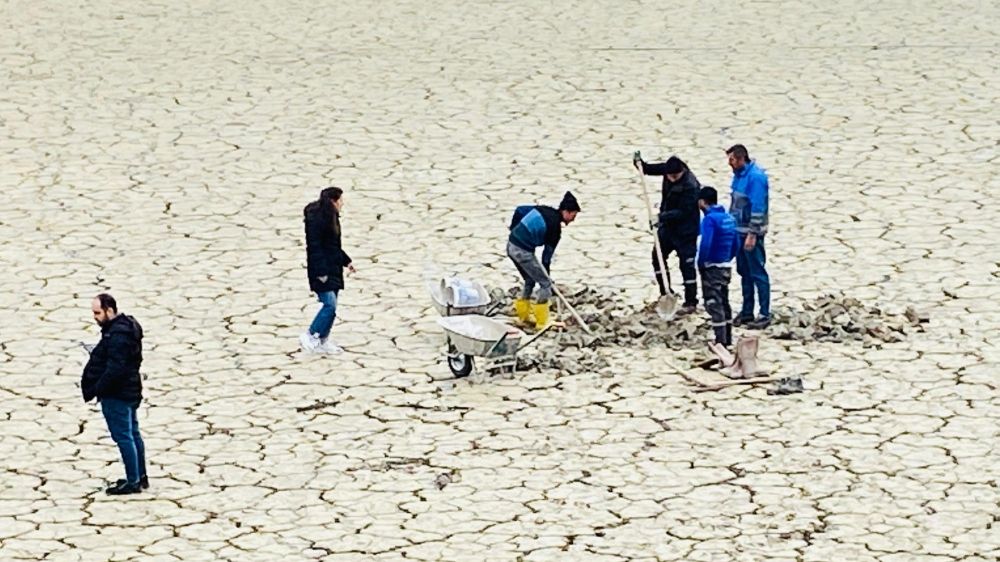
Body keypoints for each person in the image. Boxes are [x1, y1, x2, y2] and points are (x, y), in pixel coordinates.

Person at [81, 293, 148, 495]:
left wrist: (98, 388)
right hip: (131, 389)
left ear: (109, 310)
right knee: (133, 434)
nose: (95, 317)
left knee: (124, 437)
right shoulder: (125, 328)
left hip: (117, 394)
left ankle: (133, 481)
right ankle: (139, 476)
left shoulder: (117, 336)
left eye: (97, 312)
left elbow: (115, 368)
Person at [634, 153, 701, 314]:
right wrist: (639, 164)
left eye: (674, 176)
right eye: (669, 176)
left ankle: (691, 301)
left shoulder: (691, 185)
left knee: (686, 265)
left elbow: (683, 212)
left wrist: (660, 217)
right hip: (668, 229)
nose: (671, 179)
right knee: (657, 257)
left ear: (681, 172)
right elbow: (650, 169)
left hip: (686, 231)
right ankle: (665, 292)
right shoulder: (669, 169)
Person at [507, 191, 580, 329]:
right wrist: (547, 279)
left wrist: (513, 229)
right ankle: (542, 322)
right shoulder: (555, 230)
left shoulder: (543, 209)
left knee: (530, 280)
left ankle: (523, 316)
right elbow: (546, 259)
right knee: (545, 284)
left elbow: (520, 210)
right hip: (523, 252)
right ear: (566, 212)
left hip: (511, 246)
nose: (573, 219)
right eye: (573, 215)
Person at [301, 187, 356, 354]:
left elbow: (333, 247)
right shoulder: (319, 221)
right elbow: (317, 249)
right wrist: (321, 273)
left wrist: (346, 262)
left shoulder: (331, 219)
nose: (342, 204)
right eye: (340, 201)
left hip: (333, 268)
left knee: (333, 306)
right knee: (329, 305)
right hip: (322, 271)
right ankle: (310, 334)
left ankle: (323, 339)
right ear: (334, 201)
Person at [726, 144, 771, 329]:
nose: (730, 164)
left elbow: (758, 207)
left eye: (732, 160)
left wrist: (753, 233)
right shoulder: (738, 177)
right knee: (744, 272)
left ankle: (764, 313)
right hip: (739, 232)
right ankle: (747, 312)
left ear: (741, 158)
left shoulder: (755, 178)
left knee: (757, 272)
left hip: (751, 234)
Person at [697, 187, 739, 348]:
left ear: (702, 202)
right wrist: (728, 258)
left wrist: (701, 263)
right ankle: (728, 337)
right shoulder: (729, 218)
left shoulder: (710, 220)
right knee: (724, 301)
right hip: (725, 266)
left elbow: (706, 243)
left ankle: (720, 340)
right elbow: (736, 243)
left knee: (713, 303)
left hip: (712, 266)